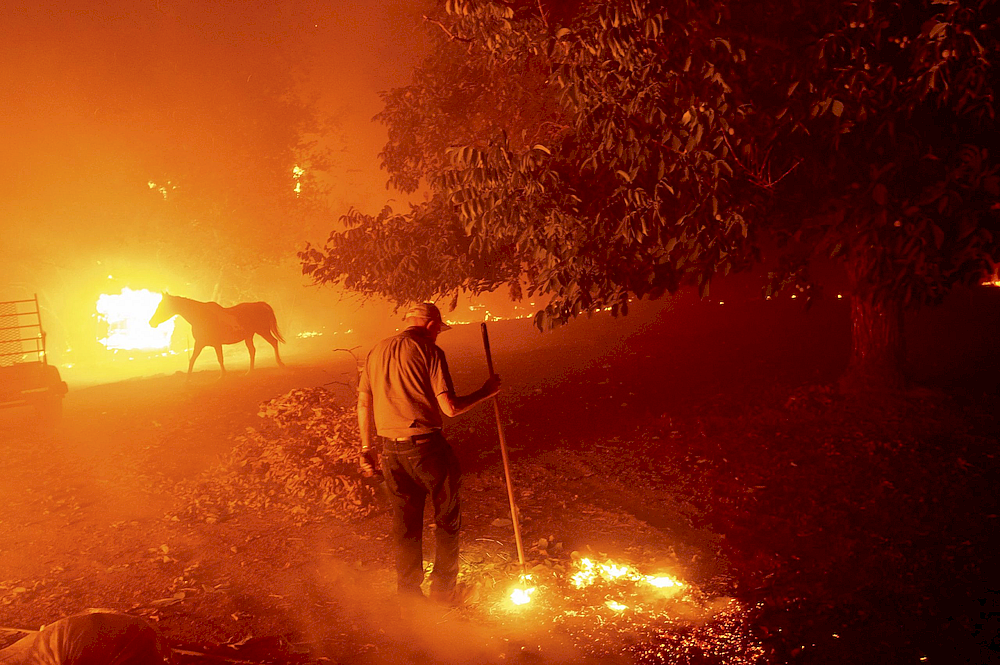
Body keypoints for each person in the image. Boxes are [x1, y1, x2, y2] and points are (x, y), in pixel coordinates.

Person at [357, 302, 501, 606]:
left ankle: (409, 596)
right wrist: (486, 391)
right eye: (438, 329)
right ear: (431, 325)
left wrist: (366, 449)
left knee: (406, 525)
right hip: (425, 448)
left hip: (389, 451)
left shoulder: (376, 351)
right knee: (447, 518)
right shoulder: (430, 351)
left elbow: (363, 404)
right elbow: (450, 408)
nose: (438, 335)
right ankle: (444, 593)